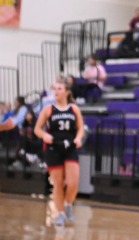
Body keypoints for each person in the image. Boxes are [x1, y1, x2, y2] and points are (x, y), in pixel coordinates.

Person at [34, 81, 84, 227]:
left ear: (67, 92)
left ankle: (68, 204)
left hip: (70, 147)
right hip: (53, 148)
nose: (56, 91)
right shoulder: (48, 109)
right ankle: (60, 213)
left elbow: (80, 128)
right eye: (54, 89)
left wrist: (78, 138)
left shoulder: (74, 109)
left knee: (73, 183)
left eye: (59, 89)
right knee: (58, 183)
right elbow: (37, 129)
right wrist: (44, 135)